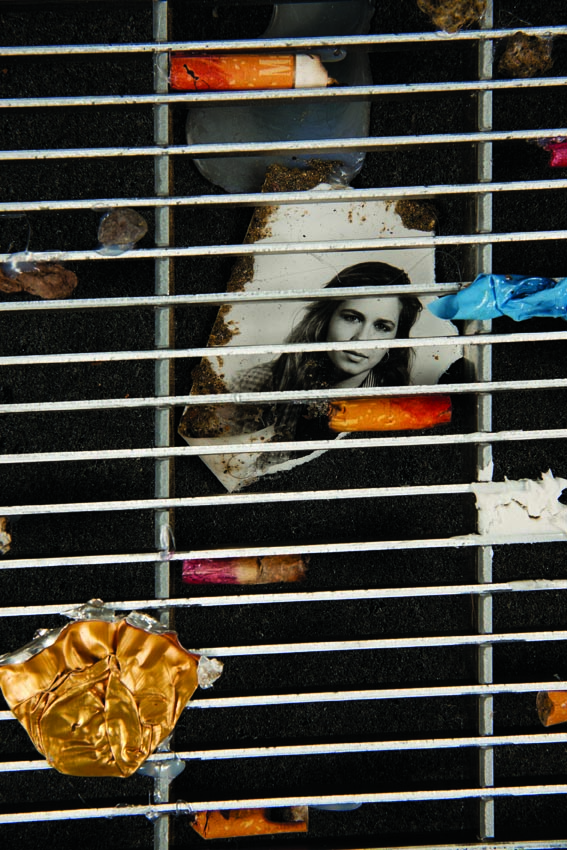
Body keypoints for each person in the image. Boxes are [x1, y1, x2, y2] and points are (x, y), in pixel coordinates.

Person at [229, 261, 422, 456]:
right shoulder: (248, 384)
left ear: (395, 340)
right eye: (352, 317)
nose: (362, 339)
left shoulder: (401, 417)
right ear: (326, 319)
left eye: (382, 327)